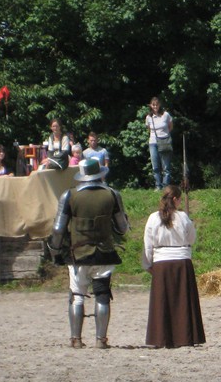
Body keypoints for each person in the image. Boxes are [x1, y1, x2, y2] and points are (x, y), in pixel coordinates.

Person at [48, 158, 130, 349]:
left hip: (78, 254)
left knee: (77, 296)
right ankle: (101, 339)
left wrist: (55, 251)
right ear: (98, 173)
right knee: (102, 295)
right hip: (104, 253)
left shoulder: (69, 195)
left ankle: (76, 339)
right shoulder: (112, 194)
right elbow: (122, 228)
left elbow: (58, 229)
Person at [141, 185, 205, 348]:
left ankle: (161, 338)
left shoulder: (153, 218)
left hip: (161, 263)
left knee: (162, 301)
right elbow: (191, 239)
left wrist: (147, 264)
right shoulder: (183, 217)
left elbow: (148, 244)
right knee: (183, 301)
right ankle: (185, 337)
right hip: (181, 262)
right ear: (175, 199)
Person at [145, 97, 173, 189]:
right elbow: (149, 129)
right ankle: (158, 185)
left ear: (159, 105)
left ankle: (165, 186)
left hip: (164, 141)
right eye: (153, 105)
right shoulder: (149, 117)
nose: (155, 106)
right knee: (155, 166)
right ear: (151, 105)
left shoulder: (165, 115)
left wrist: (164, 135)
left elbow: (170, 126)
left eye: (156, 104)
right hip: (153, 142)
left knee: (166, 166)